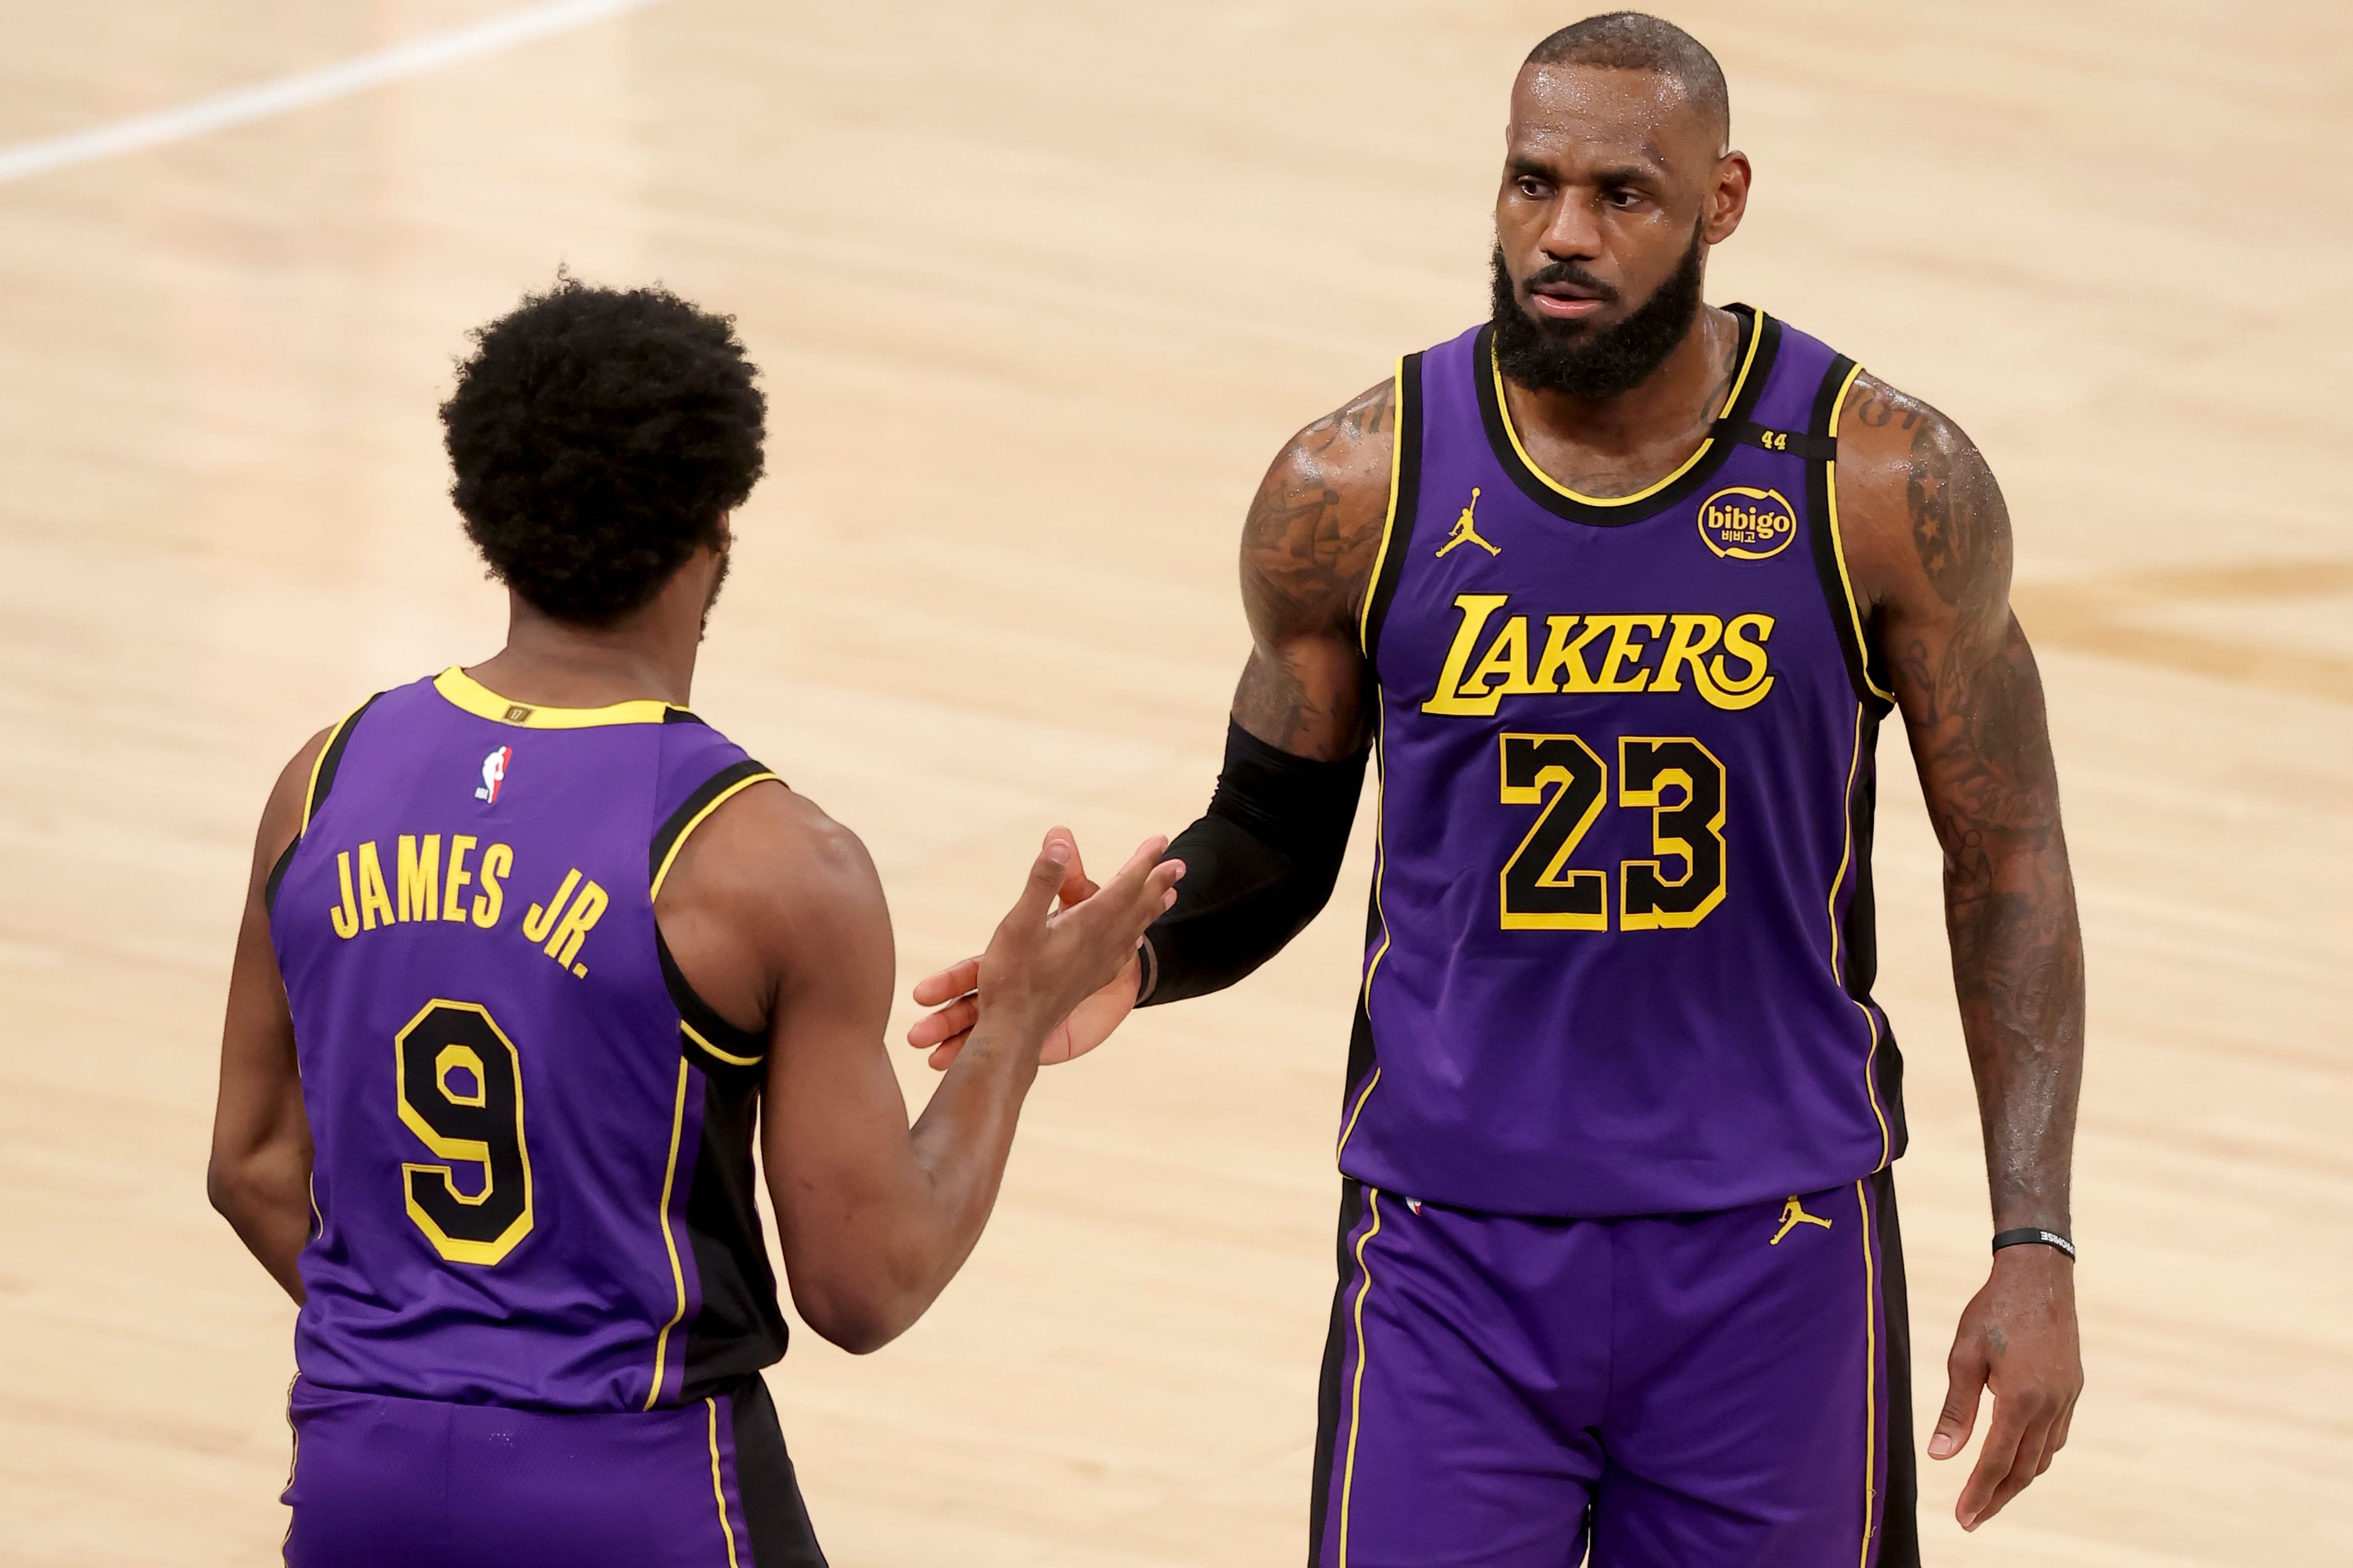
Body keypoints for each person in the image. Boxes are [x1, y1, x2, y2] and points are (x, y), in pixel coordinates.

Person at [909, 14, 2085, 1565]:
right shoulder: (1353, 487)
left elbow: (2008, 867)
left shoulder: (1882, 483)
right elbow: (1274, 831)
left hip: (1773, 1244)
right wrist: (1133, 953)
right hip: (1448, 1250)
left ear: (1723, 201)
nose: (1564, 236)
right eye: (1532, 185)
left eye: (1623, 195)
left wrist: (2034, 1241)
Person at [205, 278, 1182, 1568]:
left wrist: (444, 1359)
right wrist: (1015, 1021)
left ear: (482, 507)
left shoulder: (322, 784)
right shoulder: (774, 864)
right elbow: (865, 1283)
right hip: (642, 1486)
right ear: (719, 520)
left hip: (361, 1475)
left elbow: (254, 1162)